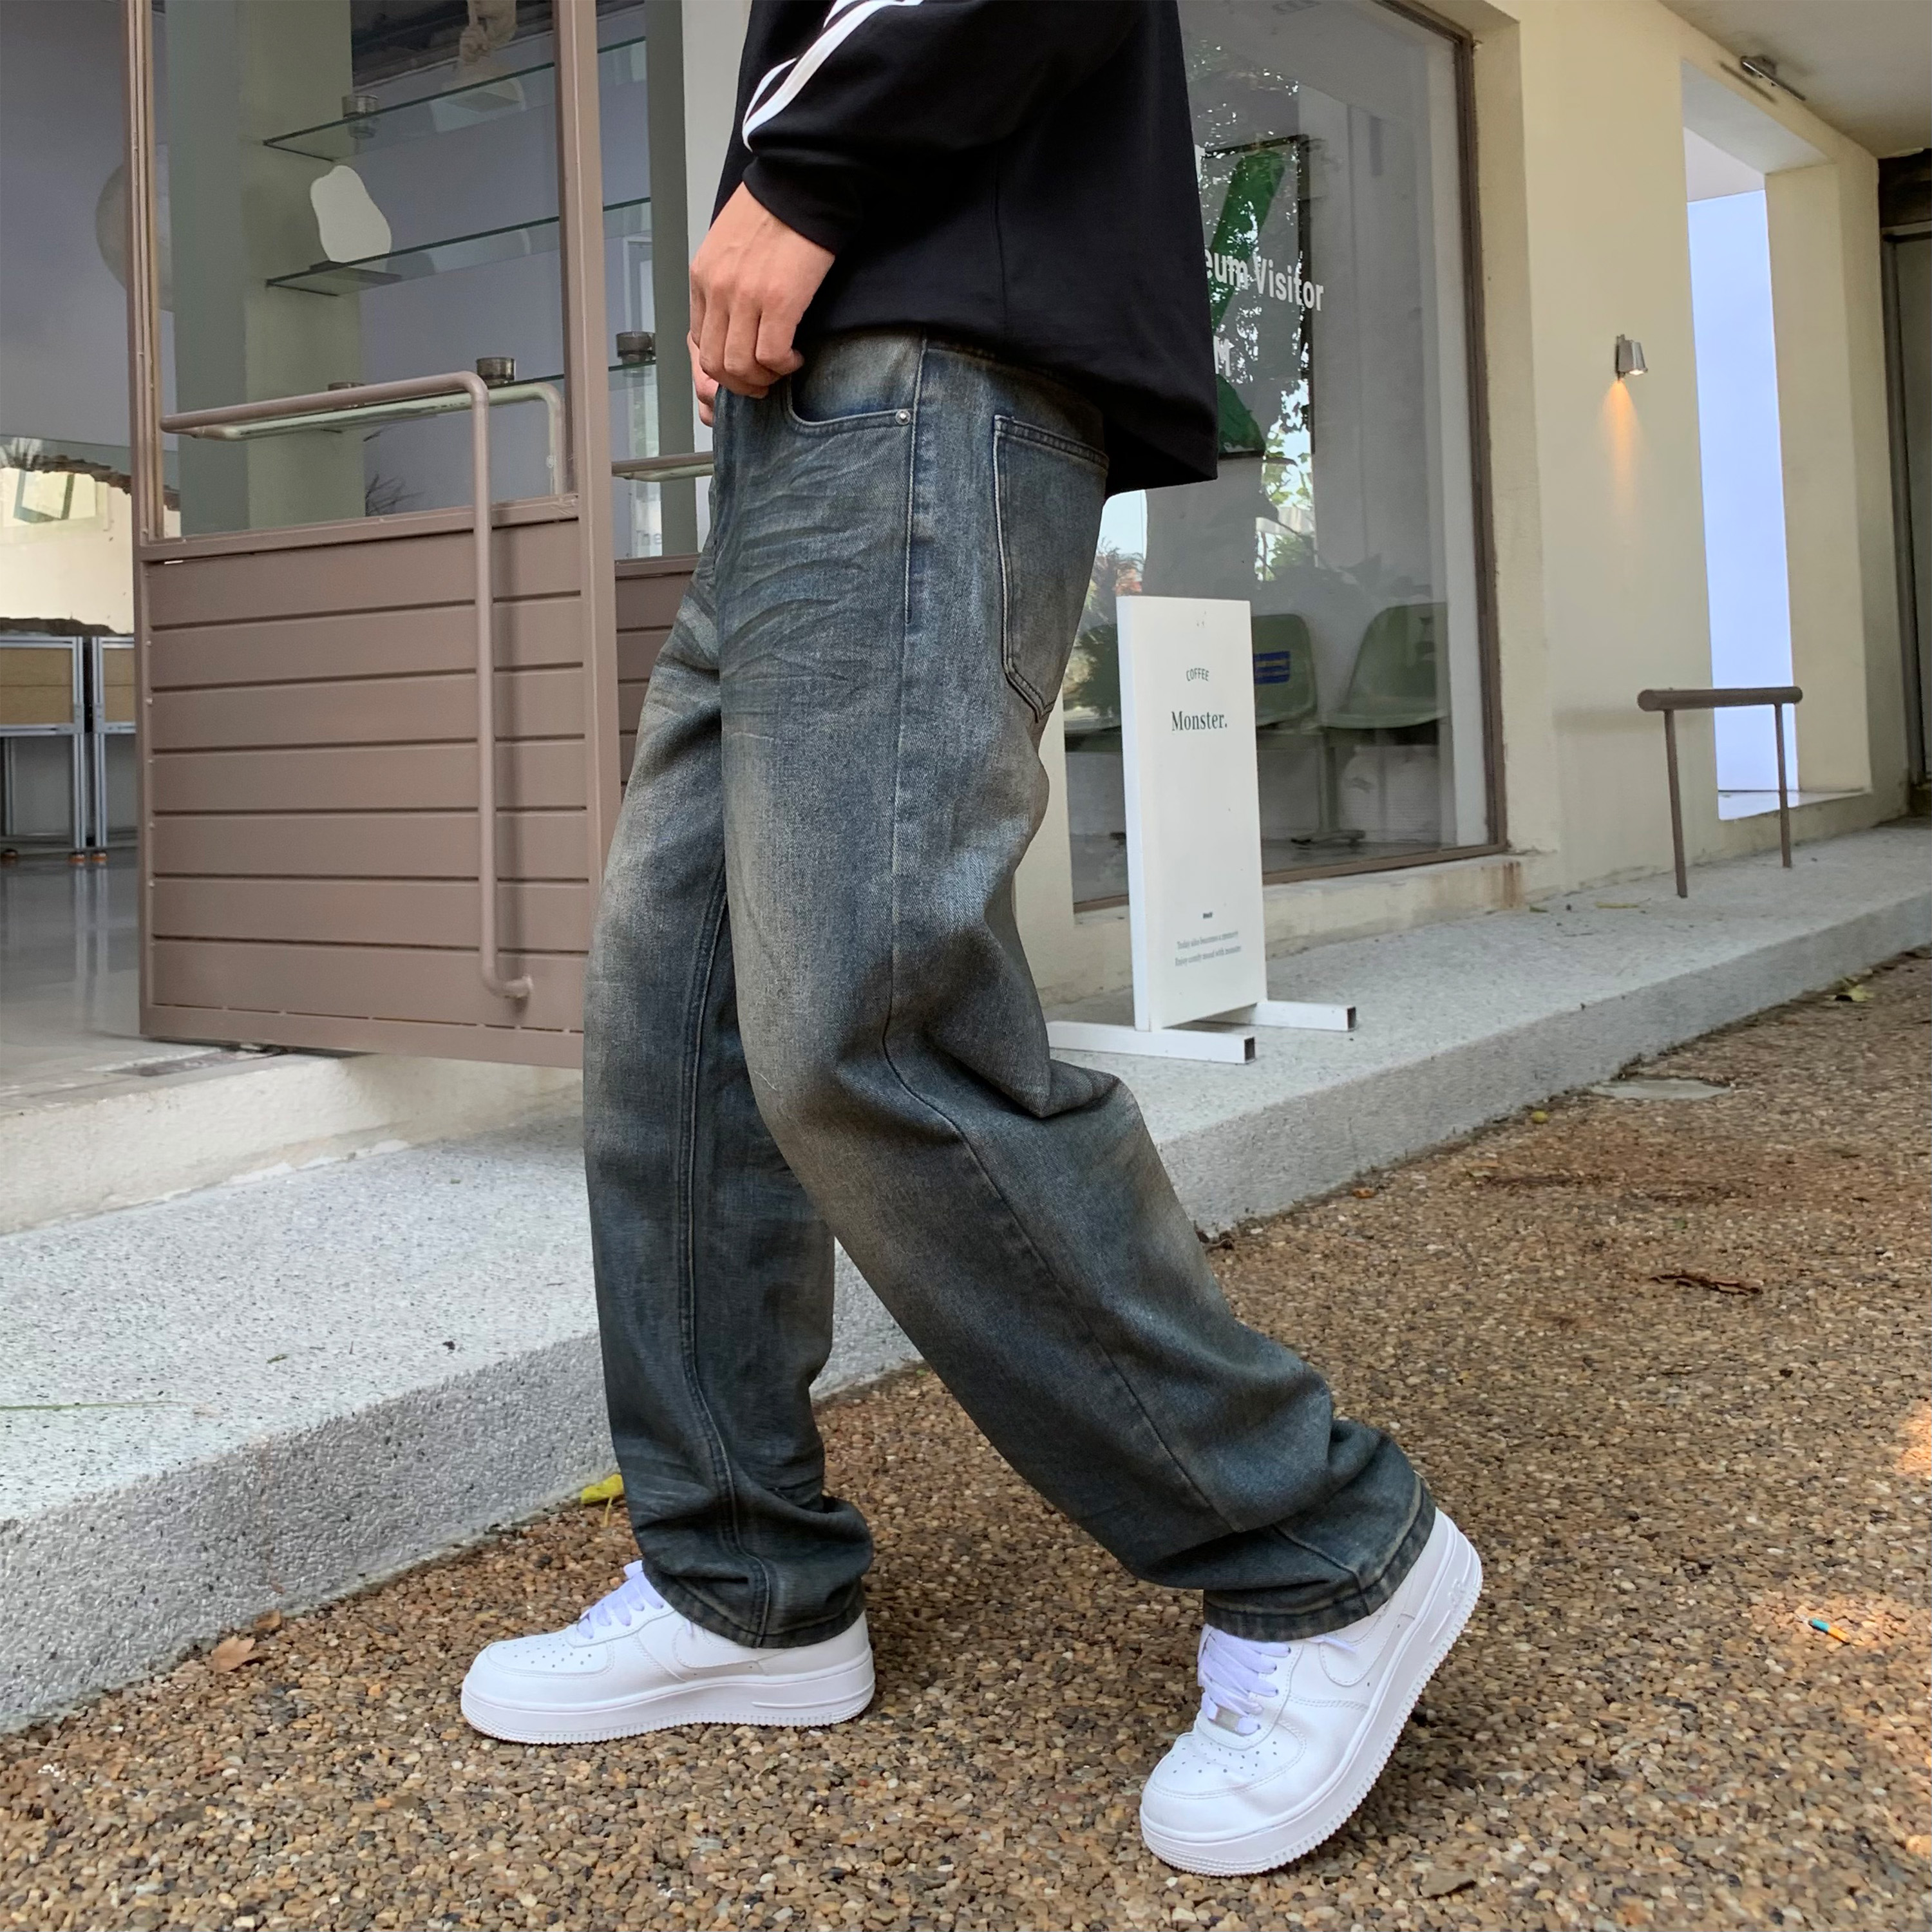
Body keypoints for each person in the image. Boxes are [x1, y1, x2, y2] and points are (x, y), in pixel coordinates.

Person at [461, 0, 1480, 1874]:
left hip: (934, 361)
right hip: (822, 409)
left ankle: (1321, 1545)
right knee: (677, 1021)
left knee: (868, 1018)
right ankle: (741, 1581)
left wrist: (807, 168)